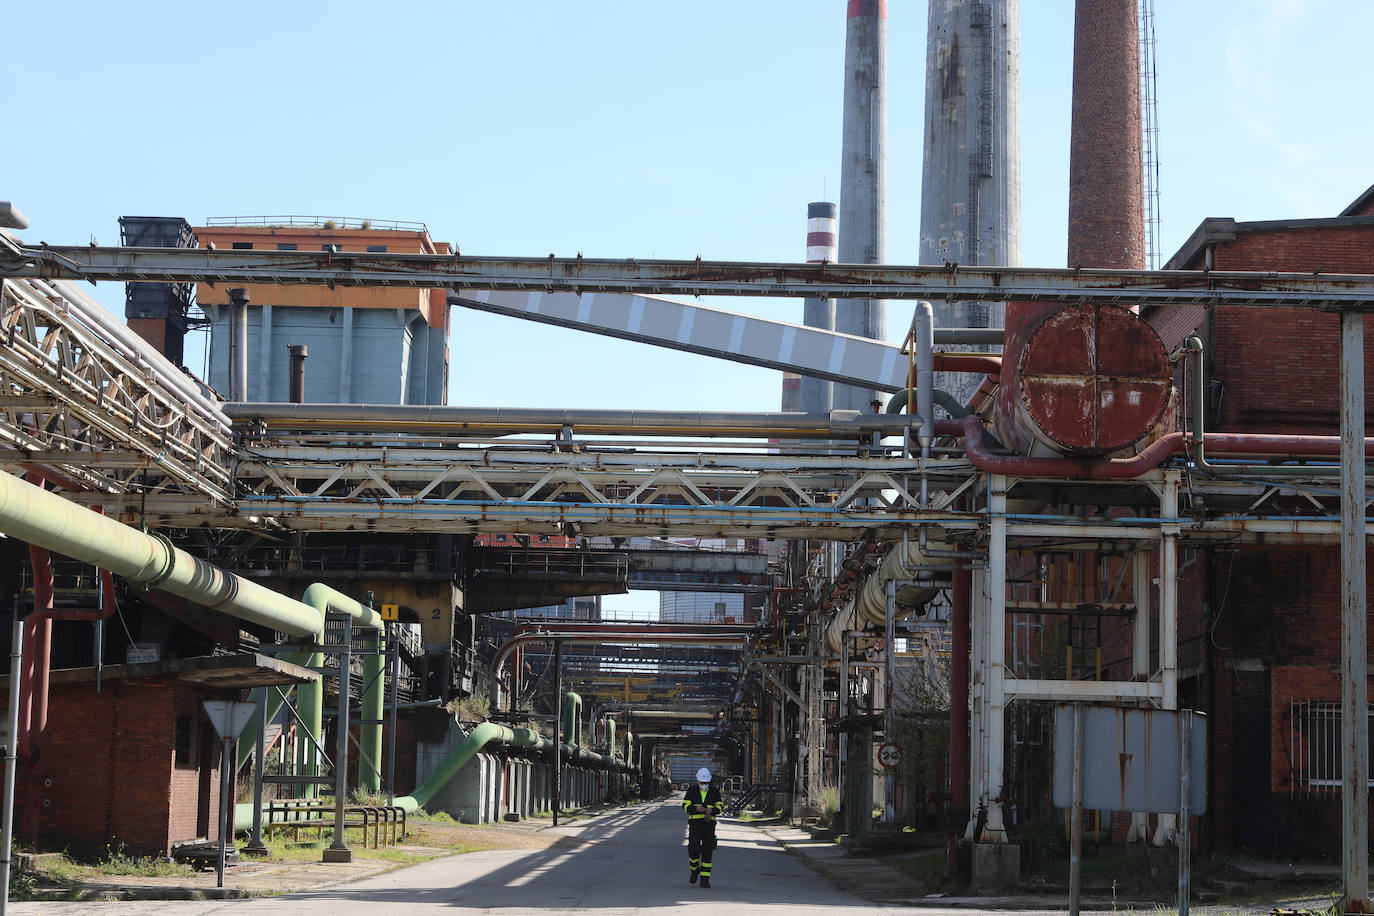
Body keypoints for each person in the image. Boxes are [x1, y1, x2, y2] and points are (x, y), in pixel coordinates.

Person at [682, 766, 723, 888]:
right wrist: (696, 808)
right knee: (693, 849)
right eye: (702, 782)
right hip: (695, 825)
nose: (703, 784)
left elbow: (720, 806)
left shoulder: (714, 791)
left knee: (707, 851)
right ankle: (694, 870)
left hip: (709, 825)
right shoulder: (692, 790)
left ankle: (705, 880)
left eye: (705, 782)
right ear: (698, 780)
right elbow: (685, 806)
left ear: (709, 781)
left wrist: (712, 810)